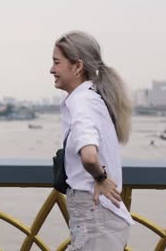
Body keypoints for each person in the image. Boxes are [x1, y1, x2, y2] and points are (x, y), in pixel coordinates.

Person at [50, 31, 134, 250]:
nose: (52, 70)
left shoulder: (83, 102)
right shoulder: (88, 99)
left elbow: (89, 156)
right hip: (97, 219)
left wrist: (102, 178)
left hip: (97, 218)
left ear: (77, 66)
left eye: (57, 63)